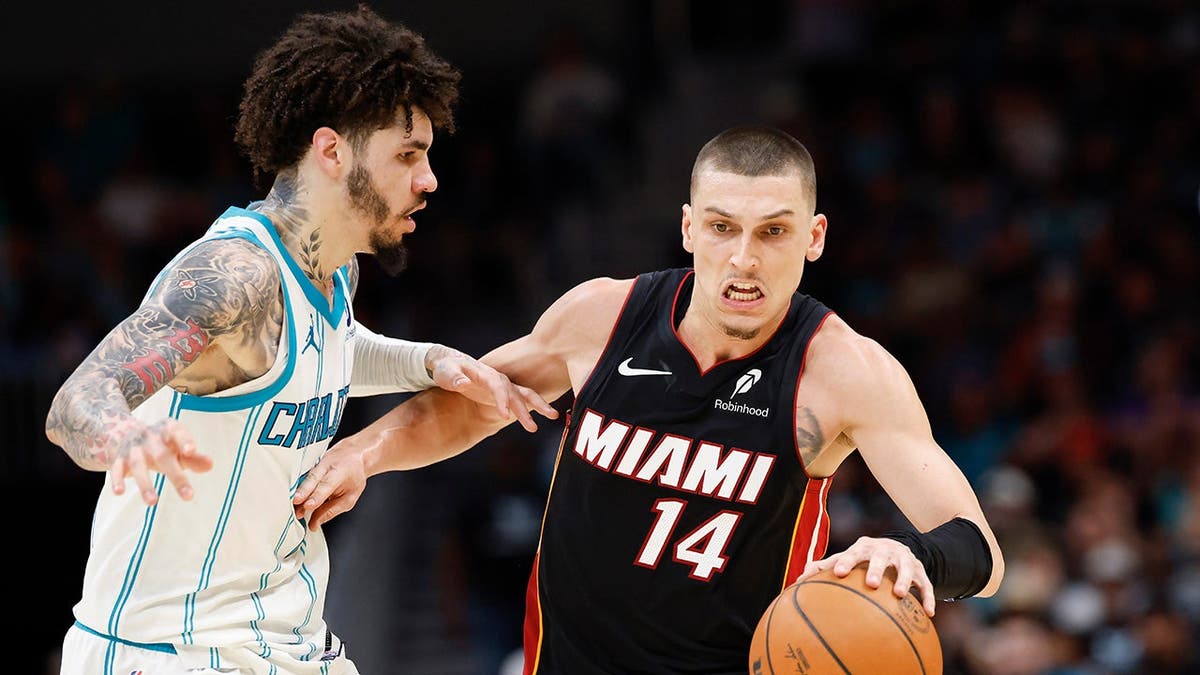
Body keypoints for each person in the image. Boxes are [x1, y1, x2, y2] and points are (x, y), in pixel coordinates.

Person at [295, 125, 1006, 673]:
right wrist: (365, 450)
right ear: (691, 226)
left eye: (774, 231)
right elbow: (472, 401)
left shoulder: (843, 372)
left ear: (814, 237)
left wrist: (914, 554)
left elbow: (979, 547)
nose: (745, 258)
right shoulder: (603, 317)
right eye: (724, 227)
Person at [44, 7, 556, 674]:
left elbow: (326, 350)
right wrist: (125, 436)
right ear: (332, 150)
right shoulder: (235, 278)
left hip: (284, 641)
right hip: (169, 651)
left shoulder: (333, 270)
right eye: (408, 154)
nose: (429, 179)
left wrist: (428, 362)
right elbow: (76, 401)